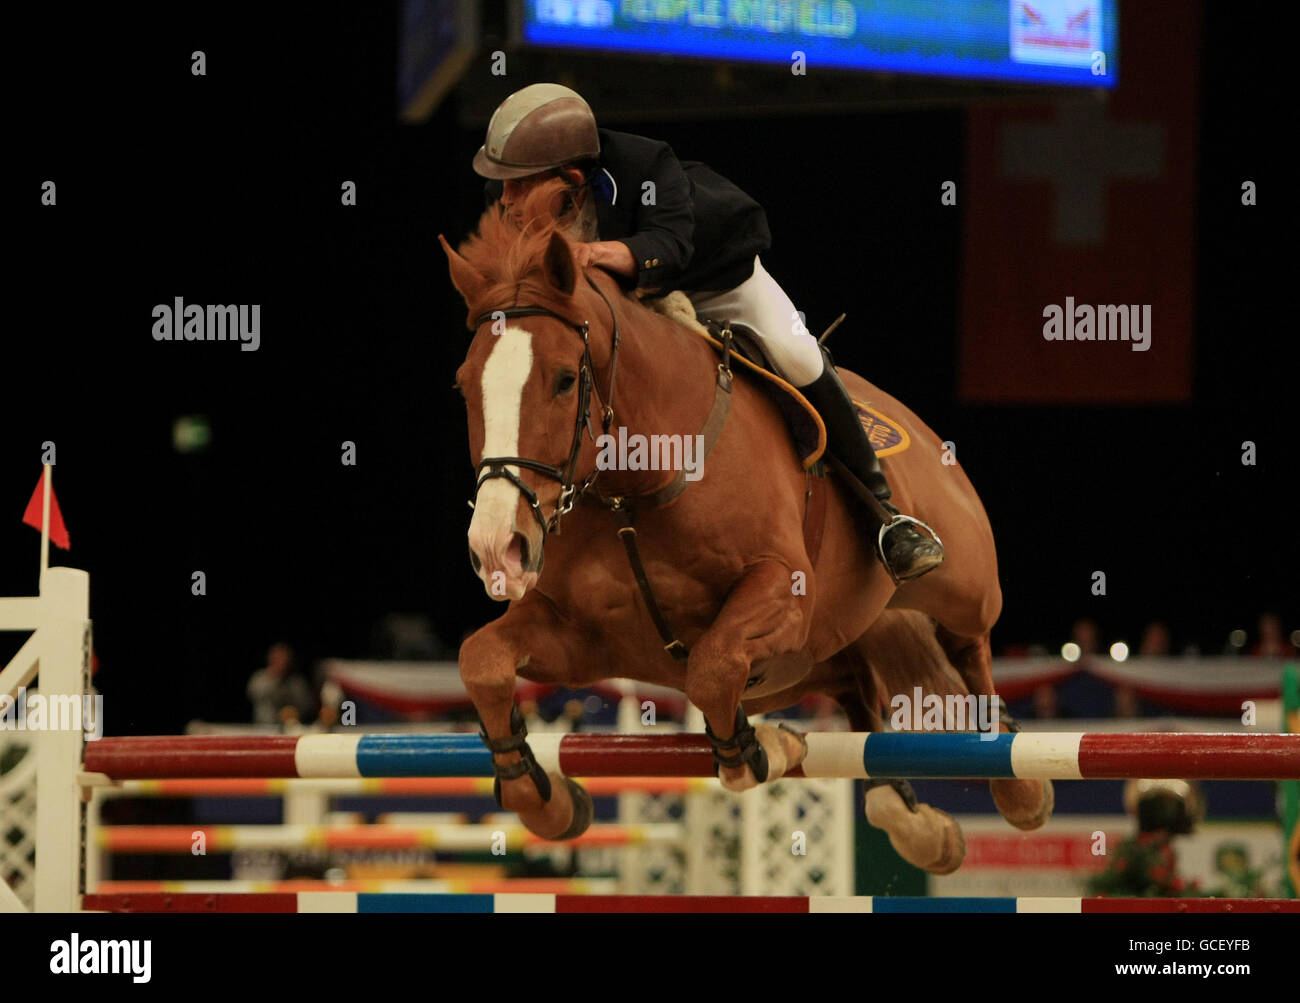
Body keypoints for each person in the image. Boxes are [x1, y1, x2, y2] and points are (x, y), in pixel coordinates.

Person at [470, 82, 943, 583]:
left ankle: (886, 516)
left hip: (714, 281)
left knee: (797, 354)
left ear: (568, 177)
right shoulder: (509, 194)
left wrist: (593, 254)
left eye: (518, 184)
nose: (505, 197)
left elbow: (669, 249)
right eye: (503, 183)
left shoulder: (646, 166)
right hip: (615, 307)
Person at [246, 642, 315, 727]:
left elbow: (306, 705)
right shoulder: (259, 678)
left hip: (290, 728)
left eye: (284, 657)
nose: (281, 661)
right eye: (277, 657)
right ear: (270, 658)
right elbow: (254, 695)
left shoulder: (296, 682)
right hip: (262, 727)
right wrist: (275, 678)